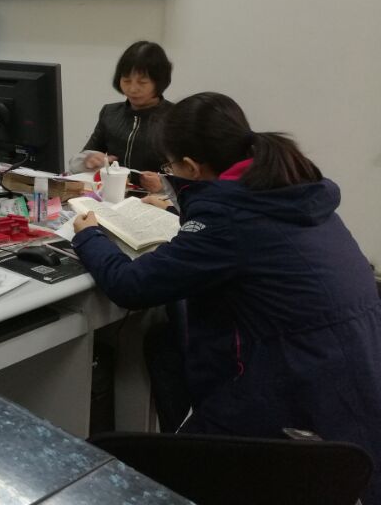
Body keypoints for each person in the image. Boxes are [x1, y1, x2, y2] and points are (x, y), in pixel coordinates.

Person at [72, 92, 381, 504]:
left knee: (160, 472)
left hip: (295, 402)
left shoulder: (229, 219)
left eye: (170, 168)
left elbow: (130, 286)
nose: (169, 175)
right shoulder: (291, 189)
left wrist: (89, 235)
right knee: (164, 341)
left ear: (191, 167)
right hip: (355, 385)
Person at [69, 41, 173, 192]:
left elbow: (193, 176)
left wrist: (165, 185)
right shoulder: (110, 113)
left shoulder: (176, 118)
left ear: (159, 82)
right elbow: (79, 162)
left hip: (158, 200)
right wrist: (89, 160)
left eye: (142, 82)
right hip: (113, 196)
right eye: (126, 80)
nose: (132, 89)